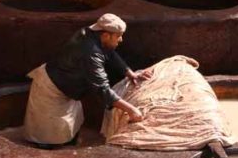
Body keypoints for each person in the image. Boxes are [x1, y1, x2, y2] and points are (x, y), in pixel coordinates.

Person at [23, 13, 149, 147]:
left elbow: (110, 53)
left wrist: (129, 73)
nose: (121, 40)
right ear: (106, 35)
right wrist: (131, 110)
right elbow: (102, 89)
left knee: (68, 127)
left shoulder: (93, 34)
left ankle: (65, 145)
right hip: (51, 89)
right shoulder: (91, 52)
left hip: (66, 84)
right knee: (47, 136)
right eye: (118, 36)